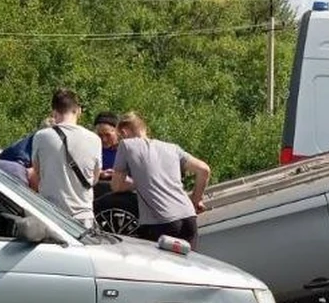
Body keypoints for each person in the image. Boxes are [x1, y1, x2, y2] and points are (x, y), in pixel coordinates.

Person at [111, 112, 210, 248]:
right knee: (189, 266)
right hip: (188, 217)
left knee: (161, 268)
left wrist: (139, 182)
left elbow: (116, 186)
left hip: (160, 222)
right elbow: (204, 170)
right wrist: (196, 199)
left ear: (124, 131)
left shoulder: (126, 145)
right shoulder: (172, 148)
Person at [28, 89, 101, 227]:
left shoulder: (41, 137)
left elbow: (37, 172)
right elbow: (95, 179)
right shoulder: (95, 139)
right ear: (78, 110)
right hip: (83, 216)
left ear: (53, 112)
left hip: (50, 213)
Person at [93, 111, 120, 181]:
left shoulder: (125, 150)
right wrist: (99, 173)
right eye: (100, 135)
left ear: (117, 132)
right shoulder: (91, 149)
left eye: (108, 135)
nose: (104, 139)